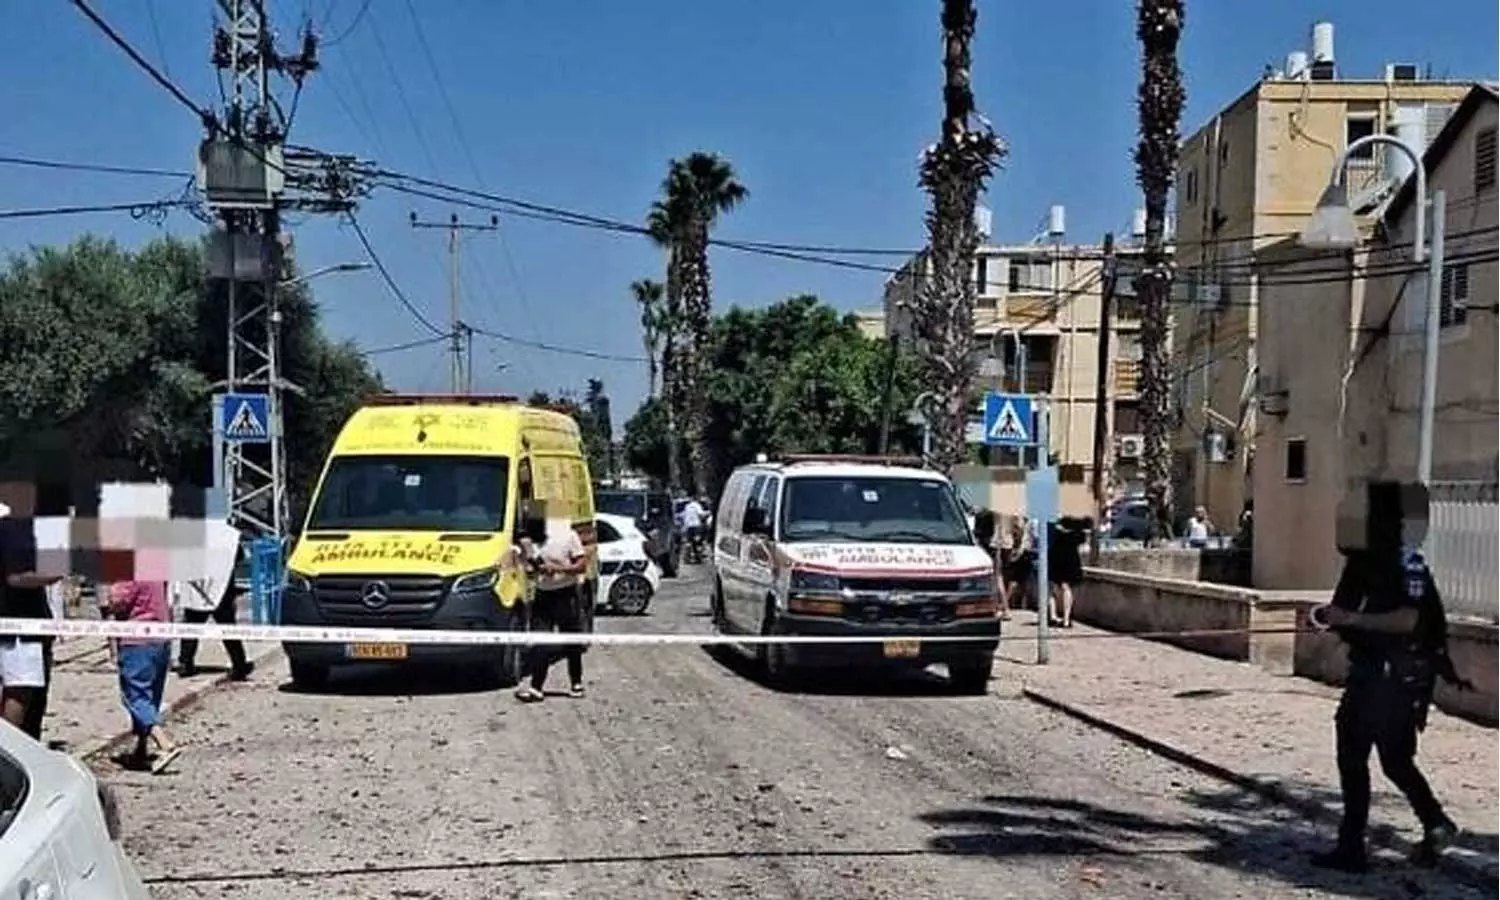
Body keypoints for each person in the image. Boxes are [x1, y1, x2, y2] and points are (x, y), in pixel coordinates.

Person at [1311, 481, 1459, 873]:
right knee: (1389, 758)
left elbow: (1408, 620)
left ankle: (1354, 846)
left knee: (1360, 753)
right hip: (1374, 672)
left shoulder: (1406, 563)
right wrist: (1329, 618)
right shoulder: (1364, 562)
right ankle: (1434, 823)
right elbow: (1347, 611)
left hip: (1394, 675)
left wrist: (1351, 619)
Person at [0, 500, 64, 741]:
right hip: (19, 628)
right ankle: (10, 748)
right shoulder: (15, 528)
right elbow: (16, 578)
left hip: (22, 625)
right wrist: (52, 574)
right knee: (20, 691)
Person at [103, 580, 180, 773]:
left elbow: (118, 601)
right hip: (161, 636)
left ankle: (164, 743)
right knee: (151, 696)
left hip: (137, 639)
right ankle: (141, 749)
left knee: (135, 695)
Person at [515, 516, 589, 703]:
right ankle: (536, 687)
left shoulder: (568, 536)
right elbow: (529, 569)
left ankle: (576, 682)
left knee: (572, 640)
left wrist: (558, 568)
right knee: (541, 641)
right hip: (542, 595)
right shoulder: (530, 544)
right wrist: (532, 569)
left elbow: (581, 566)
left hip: (566, 594)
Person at [971, 509, 1010, 620]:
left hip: (988, 546)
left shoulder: (984, 514)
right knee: (998, 578)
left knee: (994, 579)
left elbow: (979, 532)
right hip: (996, 545)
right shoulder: (996, 513)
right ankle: (1004, 608)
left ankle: (998, 608)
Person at [679, 496, 708, 560]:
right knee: (697, 541)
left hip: (688, 526)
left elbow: (683, 515)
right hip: (696, 525)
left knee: (689, 541)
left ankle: (688, 556)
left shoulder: (687, 506)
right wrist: (707, 513)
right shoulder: (697, 505)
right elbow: (701, 514)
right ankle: (698, 555)